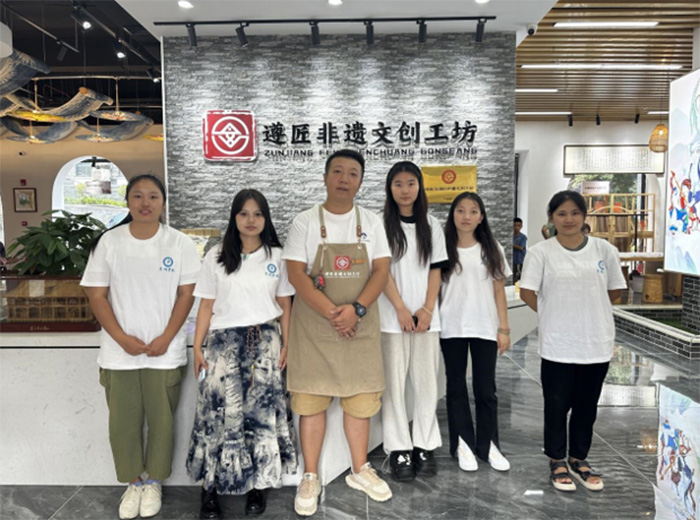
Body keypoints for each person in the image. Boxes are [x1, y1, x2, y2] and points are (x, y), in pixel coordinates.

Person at [81, 174, 201, 520]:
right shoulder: (109, 242)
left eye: (152, 196)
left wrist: (166, 337)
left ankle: (154, 482)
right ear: (127, 201)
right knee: (122, 423)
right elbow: (97, 295)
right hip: (119, 353)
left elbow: (187, 294)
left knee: (162, 422)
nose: (145, 203)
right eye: (137, 196)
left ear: (163, 202)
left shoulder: (178, 243)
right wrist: (121, 337)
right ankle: (134, 482)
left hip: (165, 351)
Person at [282, 149, 392, 516]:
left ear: (361, 181)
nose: (345, 179)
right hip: (315, 327)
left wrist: (356, 310)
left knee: (360, 401)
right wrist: (333, 313)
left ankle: (360, 469)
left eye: (353, 173)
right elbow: (297, 275)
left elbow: (381, 271)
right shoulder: (305, 221)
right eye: (338, 172)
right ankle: (310, 475)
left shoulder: (372, 222)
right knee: (311, 402)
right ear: (325, 177)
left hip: (359, 326)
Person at [186, 189, 297, 519]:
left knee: (259, 418)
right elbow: (206, 305)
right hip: (222, 345)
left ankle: (256, 485)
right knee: (217, 415)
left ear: (266, 219)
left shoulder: (278, 257)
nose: (251, 220)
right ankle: (209, 489)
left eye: (258, 214)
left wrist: (287, 344)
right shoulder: (216, 256)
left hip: (264, 344)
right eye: (244, 213)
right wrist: (197, 347)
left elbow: (286, 305)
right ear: (234, 217)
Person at [519, 190, 627, 493]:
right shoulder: (541, 253)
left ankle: (579, 458)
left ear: (584, 216)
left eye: (575, 213)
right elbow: (527, 292)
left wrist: (586, 308)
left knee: (586, 406)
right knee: (556, 405)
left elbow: (615, 291)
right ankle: (557, 460)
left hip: (596, 342)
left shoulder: (604, 250)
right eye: (562, 213)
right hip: (558, 344)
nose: (569, 219)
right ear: (551, 218)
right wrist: (553, 313)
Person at [378, 161, 447, 481]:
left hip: (426, 319)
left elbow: (436, 269)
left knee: (426, 384)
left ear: (420, 187)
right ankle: (399, 449)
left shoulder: (432, 224)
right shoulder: (379, 224)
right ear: (390, 189)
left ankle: (424, 445)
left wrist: (427, 310)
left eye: (411, 183)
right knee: (393, 386)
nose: (405, 190)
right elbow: (381, 271)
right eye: (398, 184)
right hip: (391, 319)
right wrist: (401, 309)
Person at [439, 192, 512, 474]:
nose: (466, 216)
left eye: (473, 211)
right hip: (451, 326)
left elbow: (499, 290)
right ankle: (463, 445)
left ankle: (489, 445)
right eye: (460, 210)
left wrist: (503, 328)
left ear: (481, 217)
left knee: (485, 389)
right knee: (456, 387)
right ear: (453, 215)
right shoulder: (442, 248)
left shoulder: (492, 248)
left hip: (484, 326)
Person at [512, 217, 527, 282]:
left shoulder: (523, 237)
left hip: (520, 260)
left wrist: (512, 245)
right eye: (514, 226)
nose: (516, 227)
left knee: (520, 278)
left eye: (518, 226)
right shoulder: (511, 236)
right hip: (513, 260)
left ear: (521, 227)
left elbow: (521, 248)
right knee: (513, 277)